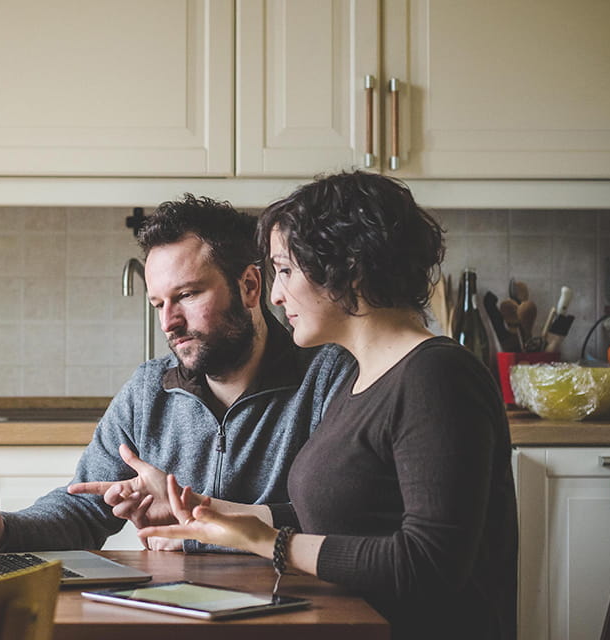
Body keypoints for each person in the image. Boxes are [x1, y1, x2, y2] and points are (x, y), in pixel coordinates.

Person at [138, 172, 517, 640]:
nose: (275, 295)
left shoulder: (437, 378)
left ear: (347, 269)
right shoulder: (358, 379)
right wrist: (213, 513)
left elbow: (428, 563)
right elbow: (346, 516)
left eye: (286, 271)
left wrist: (271, 544)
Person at [0, 194, 355, 553]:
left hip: (293, 602)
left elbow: (345, 517)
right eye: (158, 304)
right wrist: (5, 528)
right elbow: (85, 508)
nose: (169, 323)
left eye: (187, 295)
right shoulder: (149, 390)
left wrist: (200, 512)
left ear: (250, 286)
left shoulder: (328, 378)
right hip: (175, 605)